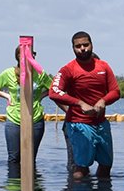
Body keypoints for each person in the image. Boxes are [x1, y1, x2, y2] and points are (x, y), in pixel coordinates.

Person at [50, 32, 120, 179]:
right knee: (81, 169)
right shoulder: (68, 69)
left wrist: (103, 101)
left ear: (92, 45)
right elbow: (54, 92)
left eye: (85, 45)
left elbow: (115, 91)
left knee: (106, 166)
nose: (82, 48)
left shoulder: (104, 66)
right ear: (73, 48)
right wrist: (79, 103)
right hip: (78, 124)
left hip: (101, 123)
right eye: (78, 46)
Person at [0, 45, 53, 173]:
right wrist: (6, 95)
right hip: (14, 119)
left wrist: (40, 96)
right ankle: (14, 189)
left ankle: (32, 188)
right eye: (26, 54)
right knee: (14, 158)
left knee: (30, 158)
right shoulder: (9, 73)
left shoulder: (40, 74)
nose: (30, 57)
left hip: (35, 118)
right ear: (18, 57)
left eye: (32, 54)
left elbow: (53, 88)